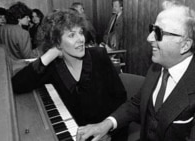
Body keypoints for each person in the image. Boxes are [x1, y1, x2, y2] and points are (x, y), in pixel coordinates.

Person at [76, 1, 195, 141]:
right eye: (152, 29)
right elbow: (137, 104)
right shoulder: (158, 65)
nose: (149, 38)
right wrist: (106, 124)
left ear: (185, 45)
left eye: (158, 32)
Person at [11, 9, 128, 141]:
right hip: (74, 133)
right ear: (57, 42)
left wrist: (107, 131)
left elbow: (121, 99)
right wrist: (51, 54)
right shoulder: (53, 66)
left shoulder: (98, 56)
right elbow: (18, 84)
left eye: (81, 32)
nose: (81, 39)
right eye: (71, 35)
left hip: (106, 133)